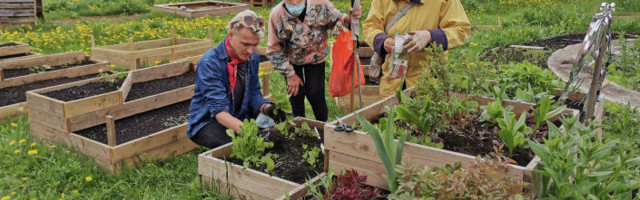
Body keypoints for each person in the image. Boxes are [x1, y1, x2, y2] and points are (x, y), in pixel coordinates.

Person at [188, 10, 282, 149]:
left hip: (237, 116)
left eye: (254, 45)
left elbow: (254, 92)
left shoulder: (251, 57)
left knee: (276, 130)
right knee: (244, 146)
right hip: (208, 122)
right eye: (245, 44)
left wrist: (267, 108)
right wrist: (254, 134)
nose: (251, 50)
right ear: (231, 35)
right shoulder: (210, 63)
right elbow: (220, 114)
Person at [266, 0, 361, 122]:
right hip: (292, 59)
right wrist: (290, 74)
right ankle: (300, 127)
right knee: (296, 94)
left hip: (316, 56)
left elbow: (337, 20)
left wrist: (348, 18)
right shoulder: (277, 14)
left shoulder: (321, 4)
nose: (294, 3)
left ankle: (323, 126)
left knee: (315, 93)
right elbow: (274, 49)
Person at [362, 0, 471, 97]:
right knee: (390, 117)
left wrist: (430, 36)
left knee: (425, 116)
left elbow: (461, 29)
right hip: (392, 82)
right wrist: (383, 41)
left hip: (429, 82)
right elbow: (370, 26)